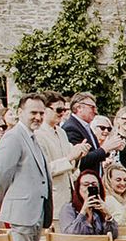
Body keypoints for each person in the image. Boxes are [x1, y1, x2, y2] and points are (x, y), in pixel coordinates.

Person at [0, 93, 53, 241]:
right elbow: (2, 174)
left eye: (41, 113)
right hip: (22, 210)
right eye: (33, 112)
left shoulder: (33, 137)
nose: (38, 117)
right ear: (20, 112)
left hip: (36, 211)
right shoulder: (13, 137)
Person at [35, 91, 89, 222]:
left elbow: (71, 168)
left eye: (64, 109)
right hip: (52, 199)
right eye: (58, 109)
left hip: (69, 199)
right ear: (45, 110)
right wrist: (70, 157)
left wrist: (78, 156)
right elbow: (43, 170)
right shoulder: (37, 135)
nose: (62, 113)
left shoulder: (62, 132)